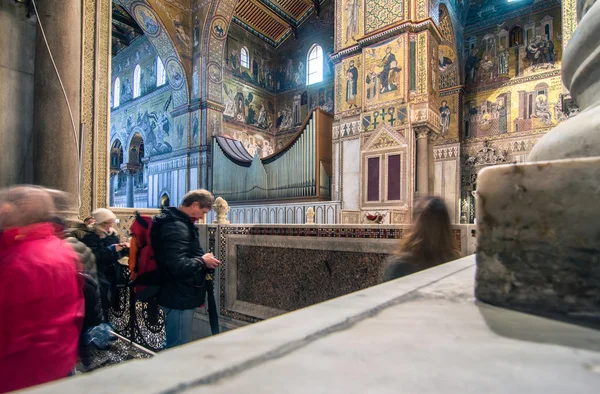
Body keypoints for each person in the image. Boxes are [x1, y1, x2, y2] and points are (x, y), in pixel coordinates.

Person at [0, 186, 84, 392]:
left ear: (21, 209)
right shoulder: (61, 249)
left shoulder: (23, 260)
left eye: (8, 201)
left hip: (20, 371)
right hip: (56, 360)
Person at [152, 189, 221, 349]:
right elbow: (177, 265)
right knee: (177, 347)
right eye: (203, 212)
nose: (202, 217)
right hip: (179, 296)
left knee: (173, 342)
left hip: (176, 293)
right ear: (194, 204)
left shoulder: (176, 222)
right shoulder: (177, 227)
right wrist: (203, 261)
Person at [382, 197, 461, 282]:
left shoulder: (401, 266)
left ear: (420, 226)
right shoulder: (456, 261)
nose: (406, 223)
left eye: (414, 216)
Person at [82, 208, 128, 322]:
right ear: (100, 223)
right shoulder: (90, 237)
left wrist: (123, 249)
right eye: (106, 223)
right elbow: (92, 257)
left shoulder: (112, 235)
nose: (109, 226)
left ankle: (107, 325)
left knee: (110, 303)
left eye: (111, 222)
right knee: (100, 304)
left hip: (112, 275)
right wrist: (111, 249)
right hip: (98, 275)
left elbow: (114, 256)